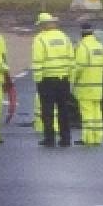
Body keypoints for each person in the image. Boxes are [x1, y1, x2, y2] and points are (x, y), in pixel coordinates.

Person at [31, 12, 75, 147]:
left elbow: (37, 61)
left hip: (47, 80)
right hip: (64, 79)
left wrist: (38, 79)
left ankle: (49, 139)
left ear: (43, 25)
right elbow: (71, 59)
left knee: (48, 111)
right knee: (63, 110)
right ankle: (66, 138)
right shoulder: (64, 37)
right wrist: (70, 78)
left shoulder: (40, 39)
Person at [71, 22, 103, 146]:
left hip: (85, 87)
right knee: (97, 113)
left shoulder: (83, 47)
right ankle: (98, 137)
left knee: (87, 114)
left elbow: (78, 68)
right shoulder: (101, 47)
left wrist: (72, 81)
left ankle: (88, 138)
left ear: (82, 33)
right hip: (98, 86)